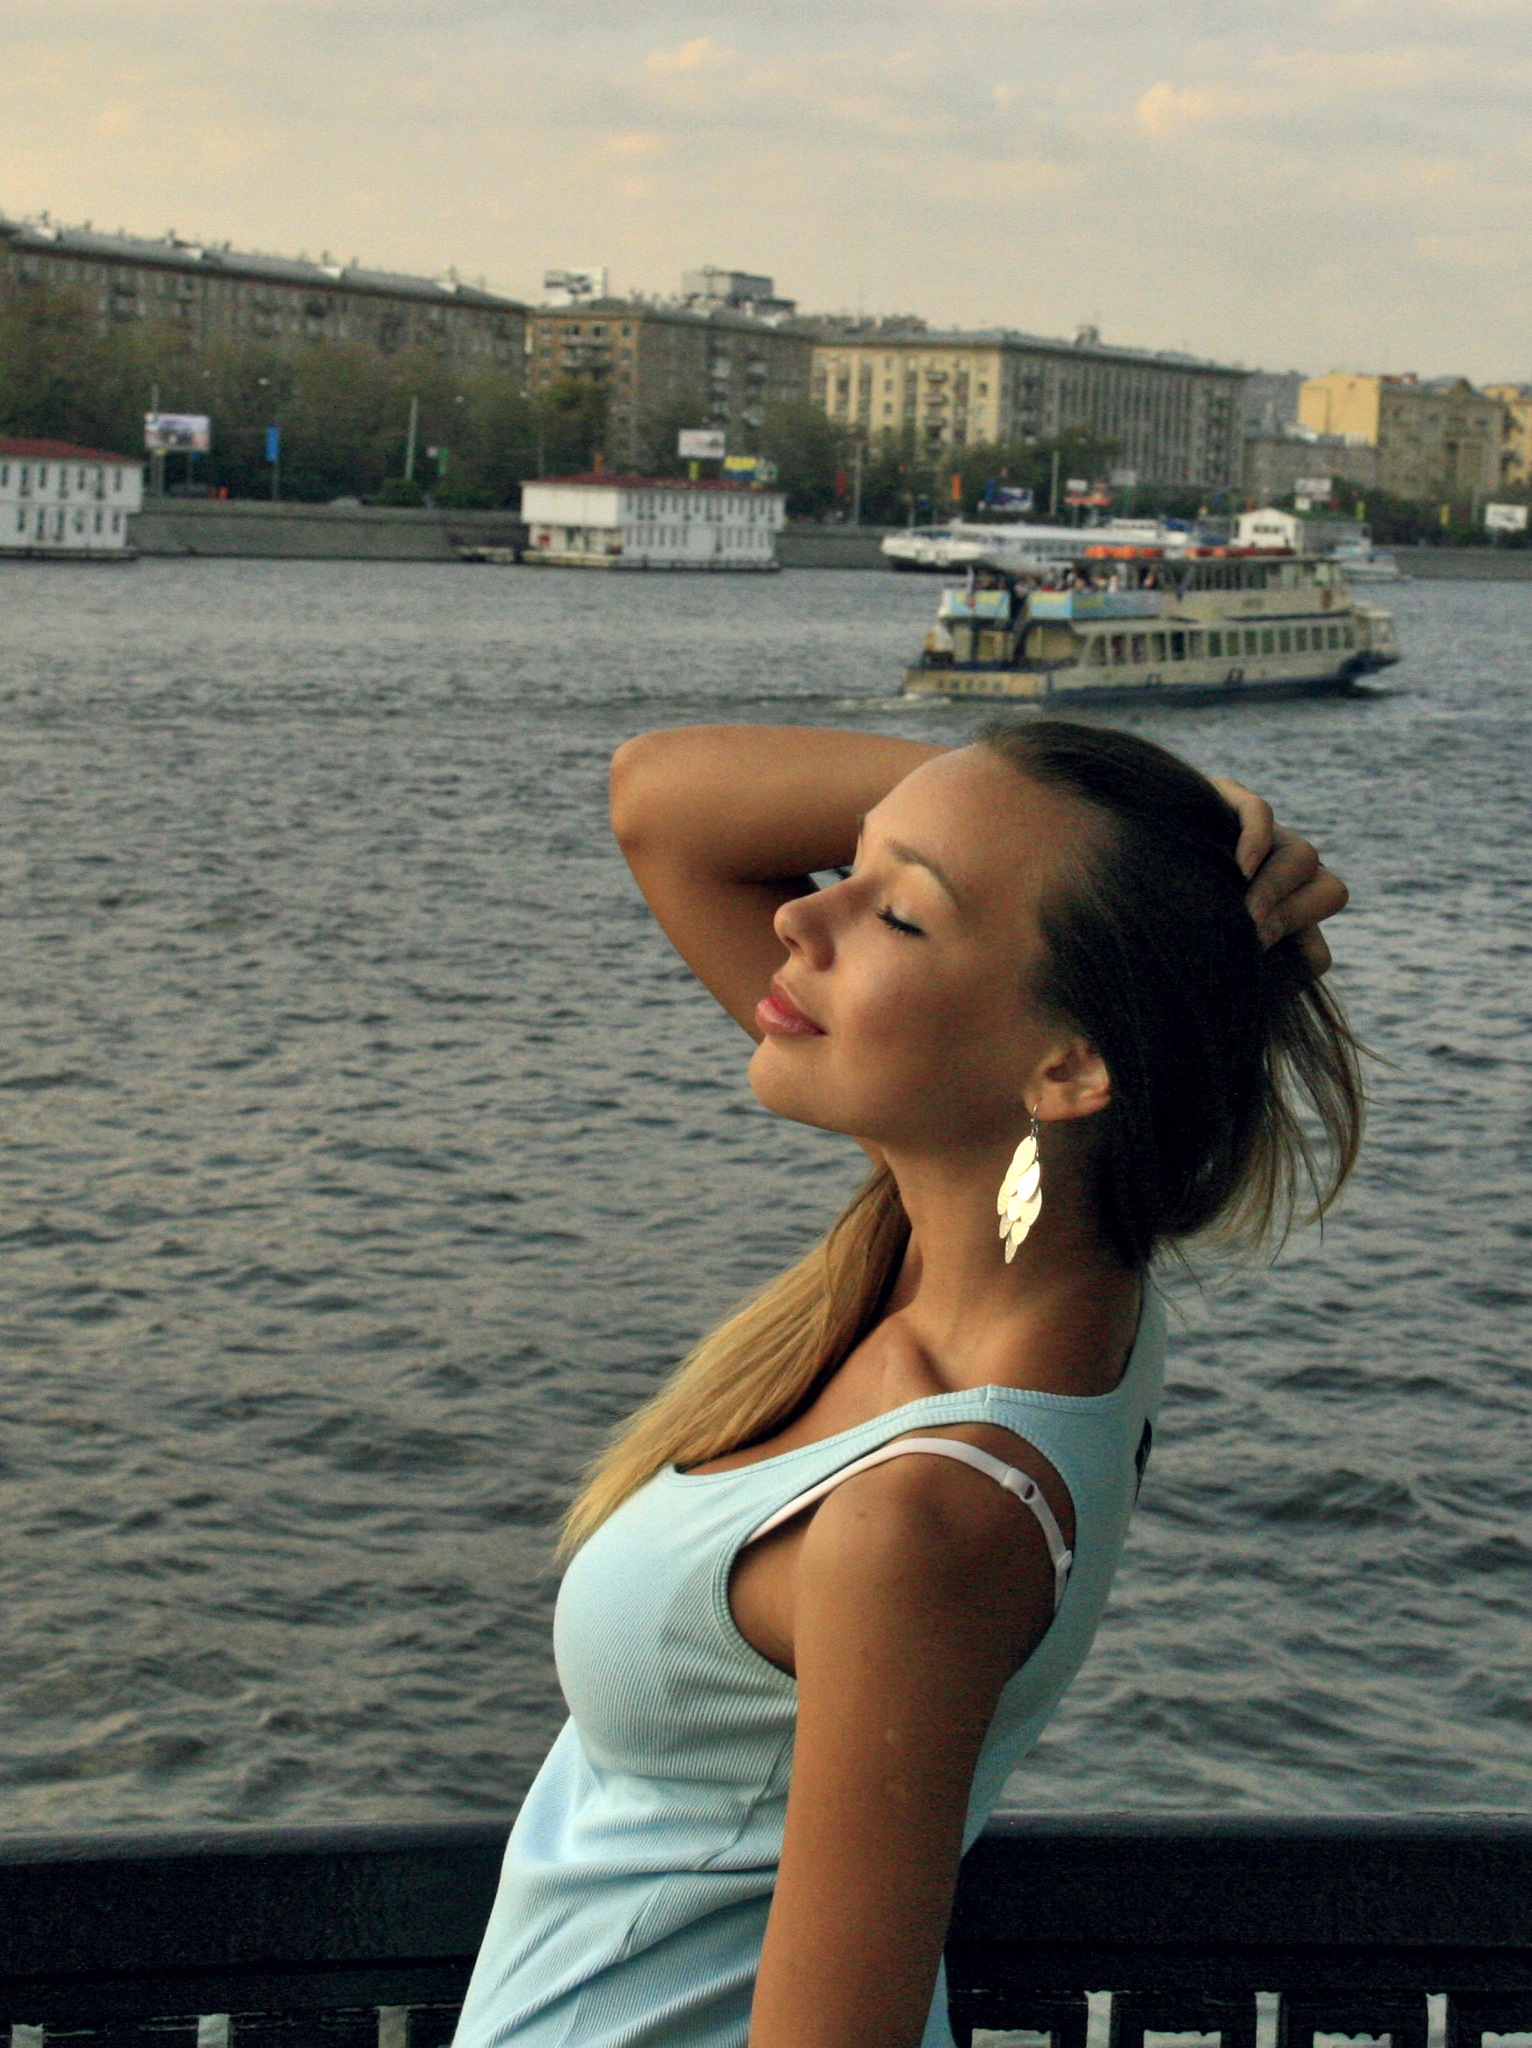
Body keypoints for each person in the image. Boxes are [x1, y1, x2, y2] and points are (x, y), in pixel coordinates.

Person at [454, 720, 1361, 2048]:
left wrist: (1114, 848)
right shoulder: (1003, 1255)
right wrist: (1140, 824)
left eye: (899, 916)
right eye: (852, 866)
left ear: (1069, 1065)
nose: (800, 918)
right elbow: (661, 805)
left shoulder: (924, 1521)